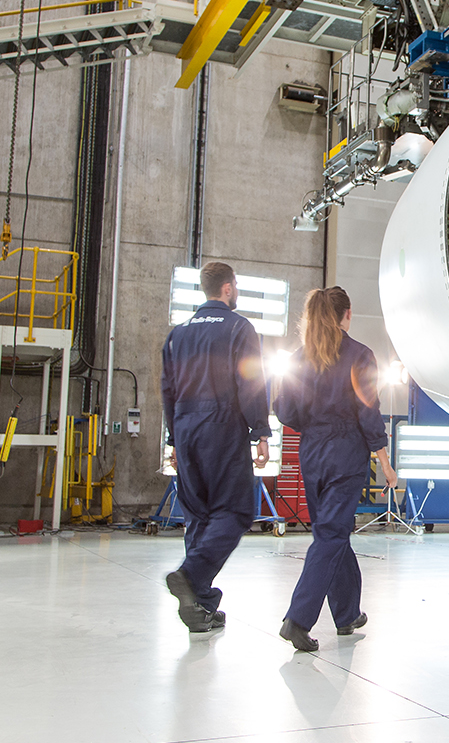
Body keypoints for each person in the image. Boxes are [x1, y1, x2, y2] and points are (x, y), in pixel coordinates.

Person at [274, 286, 398, 652]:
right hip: (345, 454)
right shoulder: (360, 355)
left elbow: (284, 411)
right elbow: (369, 413)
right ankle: (298, 619)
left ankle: (346, 614)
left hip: (311, 453)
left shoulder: (300, 357)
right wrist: (386, 464)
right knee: (331, 535)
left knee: (330, 533)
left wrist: (314, 425)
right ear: (346, 315)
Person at [160, 261, 271, 633]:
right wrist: (261, 431)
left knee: (199, 514)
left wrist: (174, 437)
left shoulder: (178, 333)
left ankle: (201, 606)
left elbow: (167, 390)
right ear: (228, 288)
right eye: (235, 285)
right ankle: (191, 576)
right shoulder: (240, 328)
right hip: (221, 425)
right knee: (237, 510)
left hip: (186, 425)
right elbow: (251, 381)